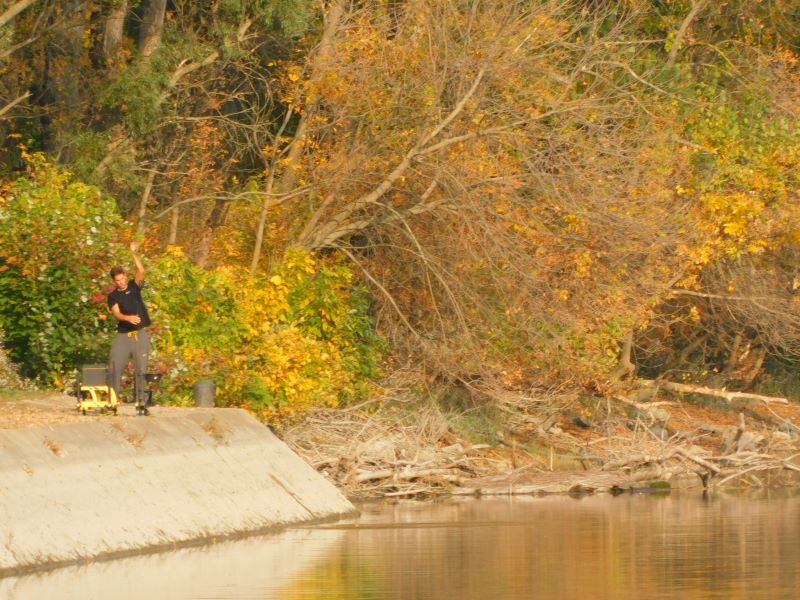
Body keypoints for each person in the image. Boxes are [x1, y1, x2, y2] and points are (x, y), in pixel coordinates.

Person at [107, 241, 152, 406]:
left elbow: (141, 270)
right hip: (123, 335)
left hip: (139, 334)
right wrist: (129, 318)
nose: (120, 282)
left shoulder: (134, 286)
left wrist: (133, 253)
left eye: (121, 278)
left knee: (141, 368)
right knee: (114, 363)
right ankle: (113, 397)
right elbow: (117, 314)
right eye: (117, 281)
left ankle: (140, 399)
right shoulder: (113, 296)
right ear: (114, 281)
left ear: (125, 275)